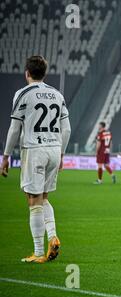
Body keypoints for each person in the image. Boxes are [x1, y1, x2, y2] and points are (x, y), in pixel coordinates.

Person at [1, 55, 71, 263]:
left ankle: (39, 252)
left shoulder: (23, 94)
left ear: (27, 73)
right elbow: (66, 129)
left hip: (34, 149)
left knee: (33, 201)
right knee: (44, 198)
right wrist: (61, 155)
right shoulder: (57, 94)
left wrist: (5, 156)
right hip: (53, 148)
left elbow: (15, 128)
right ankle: (53, 237)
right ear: (45, 73)